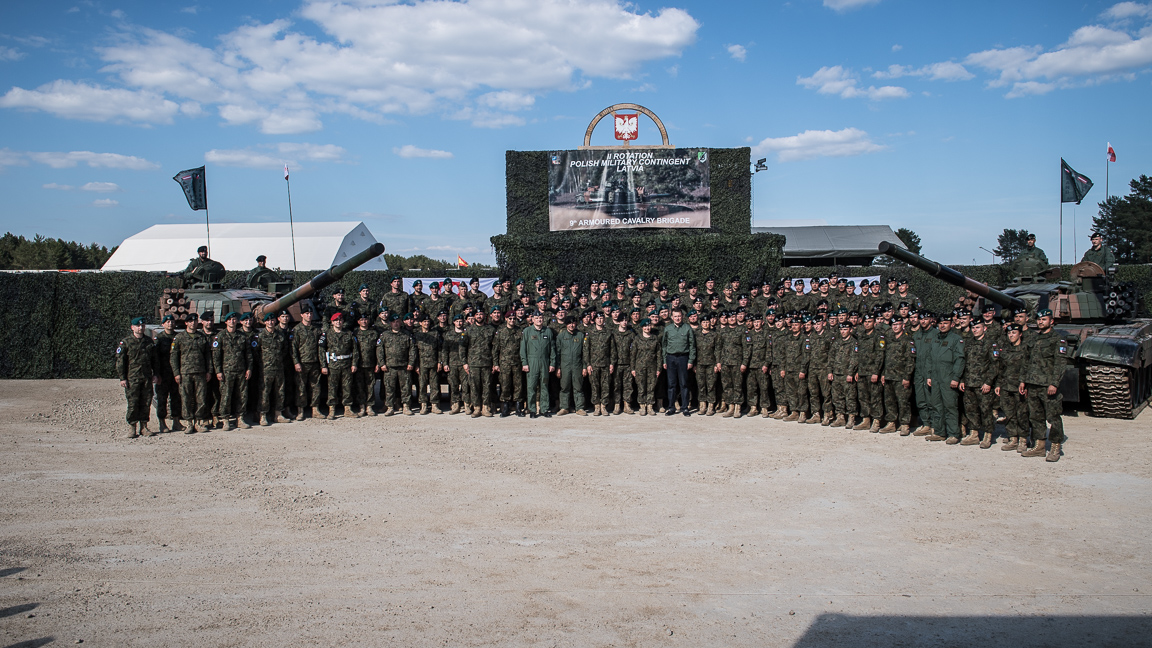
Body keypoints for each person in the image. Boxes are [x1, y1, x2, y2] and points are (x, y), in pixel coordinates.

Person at [1021, 309, 1068, 462]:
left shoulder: (1058, 340)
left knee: (1053, 417)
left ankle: (1055, 446)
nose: (1041, 322)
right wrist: (1023, 381)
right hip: (1033, 383)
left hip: (1047, 385)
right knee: (1035, 416)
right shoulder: (1034, 339)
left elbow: (1060, 364)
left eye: (1044, 319)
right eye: (1039, 320)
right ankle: (1039, 446)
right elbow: (1027, 362)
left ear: (1051, 321)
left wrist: (1054, 383)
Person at [116, 316, 159, 438]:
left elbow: (155, 360)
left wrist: (155, 374)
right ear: (132, 327)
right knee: (133, 403)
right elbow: (120, 362)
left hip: (146, 377)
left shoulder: (149, 342)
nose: (141, 328)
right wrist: (122, 378)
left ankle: (144, 427)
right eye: (138, 326)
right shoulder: (126, 342)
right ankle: (132, 427)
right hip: (132, 378)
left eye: (142, 326)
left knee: (146, 402)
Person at [213, 312, 253, 430]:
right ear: (226, 322)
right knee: (226, 396)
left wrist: (249, 368)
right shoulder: (220, 336)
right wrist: (218, 371)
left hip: (241, 370)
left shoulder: (242, 336)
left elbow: (248, 355)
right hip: (226, 371)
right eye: (230, 320)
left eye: (234, 319)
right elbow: (216, 356)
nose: (232, 321)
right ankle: (225, 419)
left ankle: (240, 418)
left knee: (242, 396)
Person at [256, 312, 293, 426]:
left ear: (275, 321)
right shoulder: (261, 336)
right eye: (268, 320)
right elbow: (256, 352)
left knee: (280, 391)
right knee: (264, 392)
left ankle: (278, 414)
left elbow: (285, 350)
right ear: (265, 322)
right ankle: (263, 415)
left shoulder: (280, 335)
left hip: (279, 367)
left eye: (272, 320)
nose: (270, 322)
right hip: (266, 369)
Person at [321, 312, 360, 419]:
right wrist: (323, 365)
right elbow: (321, 350)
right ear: (332, 322)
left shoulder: (349, 333)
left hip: (346, 364)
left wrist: (354, 364)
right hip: (333, 365)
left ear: (343, 321)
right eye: (336, 320)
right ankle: (332, 409)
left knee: (347, 387)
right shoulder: (327, 334)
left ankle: (347, 408)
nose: (338, 322)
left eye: (340, 320)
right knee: (332, 388)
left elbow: (355, 350)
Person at [520, 311, 557, 418]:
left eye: (540, 318)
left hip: (544, 362)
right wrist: (524, 363)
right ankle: (532, 409)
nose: (539, 320)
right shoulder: (527, 331)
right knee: (531, 386)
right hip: (532, 362)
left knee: (544, 385)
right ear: (532, 320)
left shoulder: (548, 331)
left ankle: (544, 409)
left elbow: (552, 349)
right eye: (536, 318)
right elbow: (523, 349)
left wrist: (552, 363)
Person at [662, 308, 696, 417]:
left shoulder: (687, 328)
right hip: (671, 358)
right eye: (675, 316)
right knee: (671, 384)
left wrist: (691, 360)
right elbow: (664, 345)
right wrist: (664, 360)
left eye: (679, 316)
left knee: (684, 384)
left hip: (683, 358)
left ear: (682, 316)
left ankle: (685, 407)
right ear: (672, 317)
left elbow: (692, 345)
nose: (677, 318)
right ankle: (671, 407)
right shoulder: (668, 329)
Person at [152, 314, 183, 434]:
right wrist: (156, 374)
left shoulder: (179, 337)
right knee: (162, 399)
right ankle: (162, 423)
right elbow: (155, 358)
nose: (170, 324)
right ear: (163, 324)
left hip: (176, 373)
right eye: (168, 322)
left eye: (172, 322)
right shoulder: (159, 339)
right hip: (163, 373)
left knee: (176, 398)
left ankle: (176, 422)